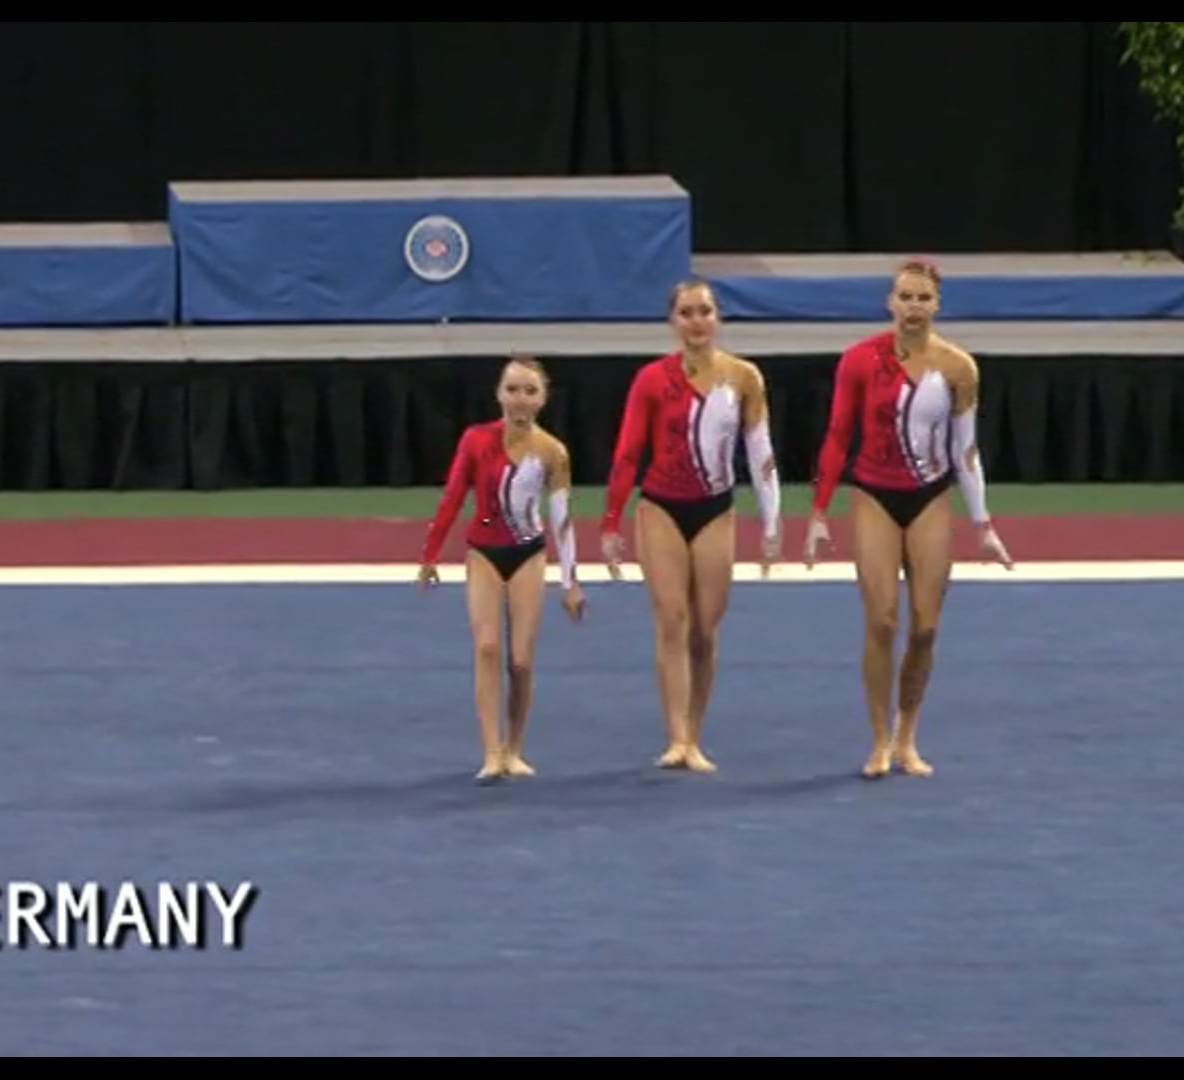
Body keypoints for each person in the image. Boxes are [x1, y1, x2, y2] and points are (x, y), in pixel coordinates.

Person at [804, 258, 1014, 779]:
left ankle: (907, 736)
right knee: (882, 621)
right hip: (874, 493)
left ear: (937, 305)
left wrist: (983, 524)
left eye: (923, 298)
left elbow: (966, 452)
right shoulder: (859, 360)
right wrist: (819, 511)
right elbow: (837, 436)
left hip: (929, 495)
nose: (914, 307)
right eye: (906, 297)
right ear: (890, 303)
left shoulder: (958, 368)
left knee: (925, 627)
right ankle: (878, 739)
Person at [600, 277, 782, 773]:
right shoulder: (652, 380)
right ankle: (677, 737)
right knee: (672, 619)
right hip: (660, 506)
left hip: (715, 509)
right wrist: (611, 521)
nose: (697, 321)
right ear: (672, 321)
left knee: (704, 628)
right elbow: (629, 452)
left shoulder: (743, 378)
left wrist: (771, 521)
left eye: (704, 311)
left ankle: (695, 734)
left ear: (718, 317)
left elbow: (760, 453)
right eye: (686, 312)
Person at [418, 356, 587, 782]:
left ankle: (514, 748)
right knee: (488, 648)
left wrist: (570, 582)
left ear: (543, 398)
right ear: (499, 394)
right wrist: (430, 554)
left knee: (522, 661)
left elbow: (562, 520)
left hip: (528, 554)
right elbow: (453, 497)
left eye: (530, 391)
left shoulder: (552, 452)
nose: (520, 399)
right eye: (512, 389)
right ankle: (491, 751)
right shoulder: (476, 440)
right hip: (484, 553)